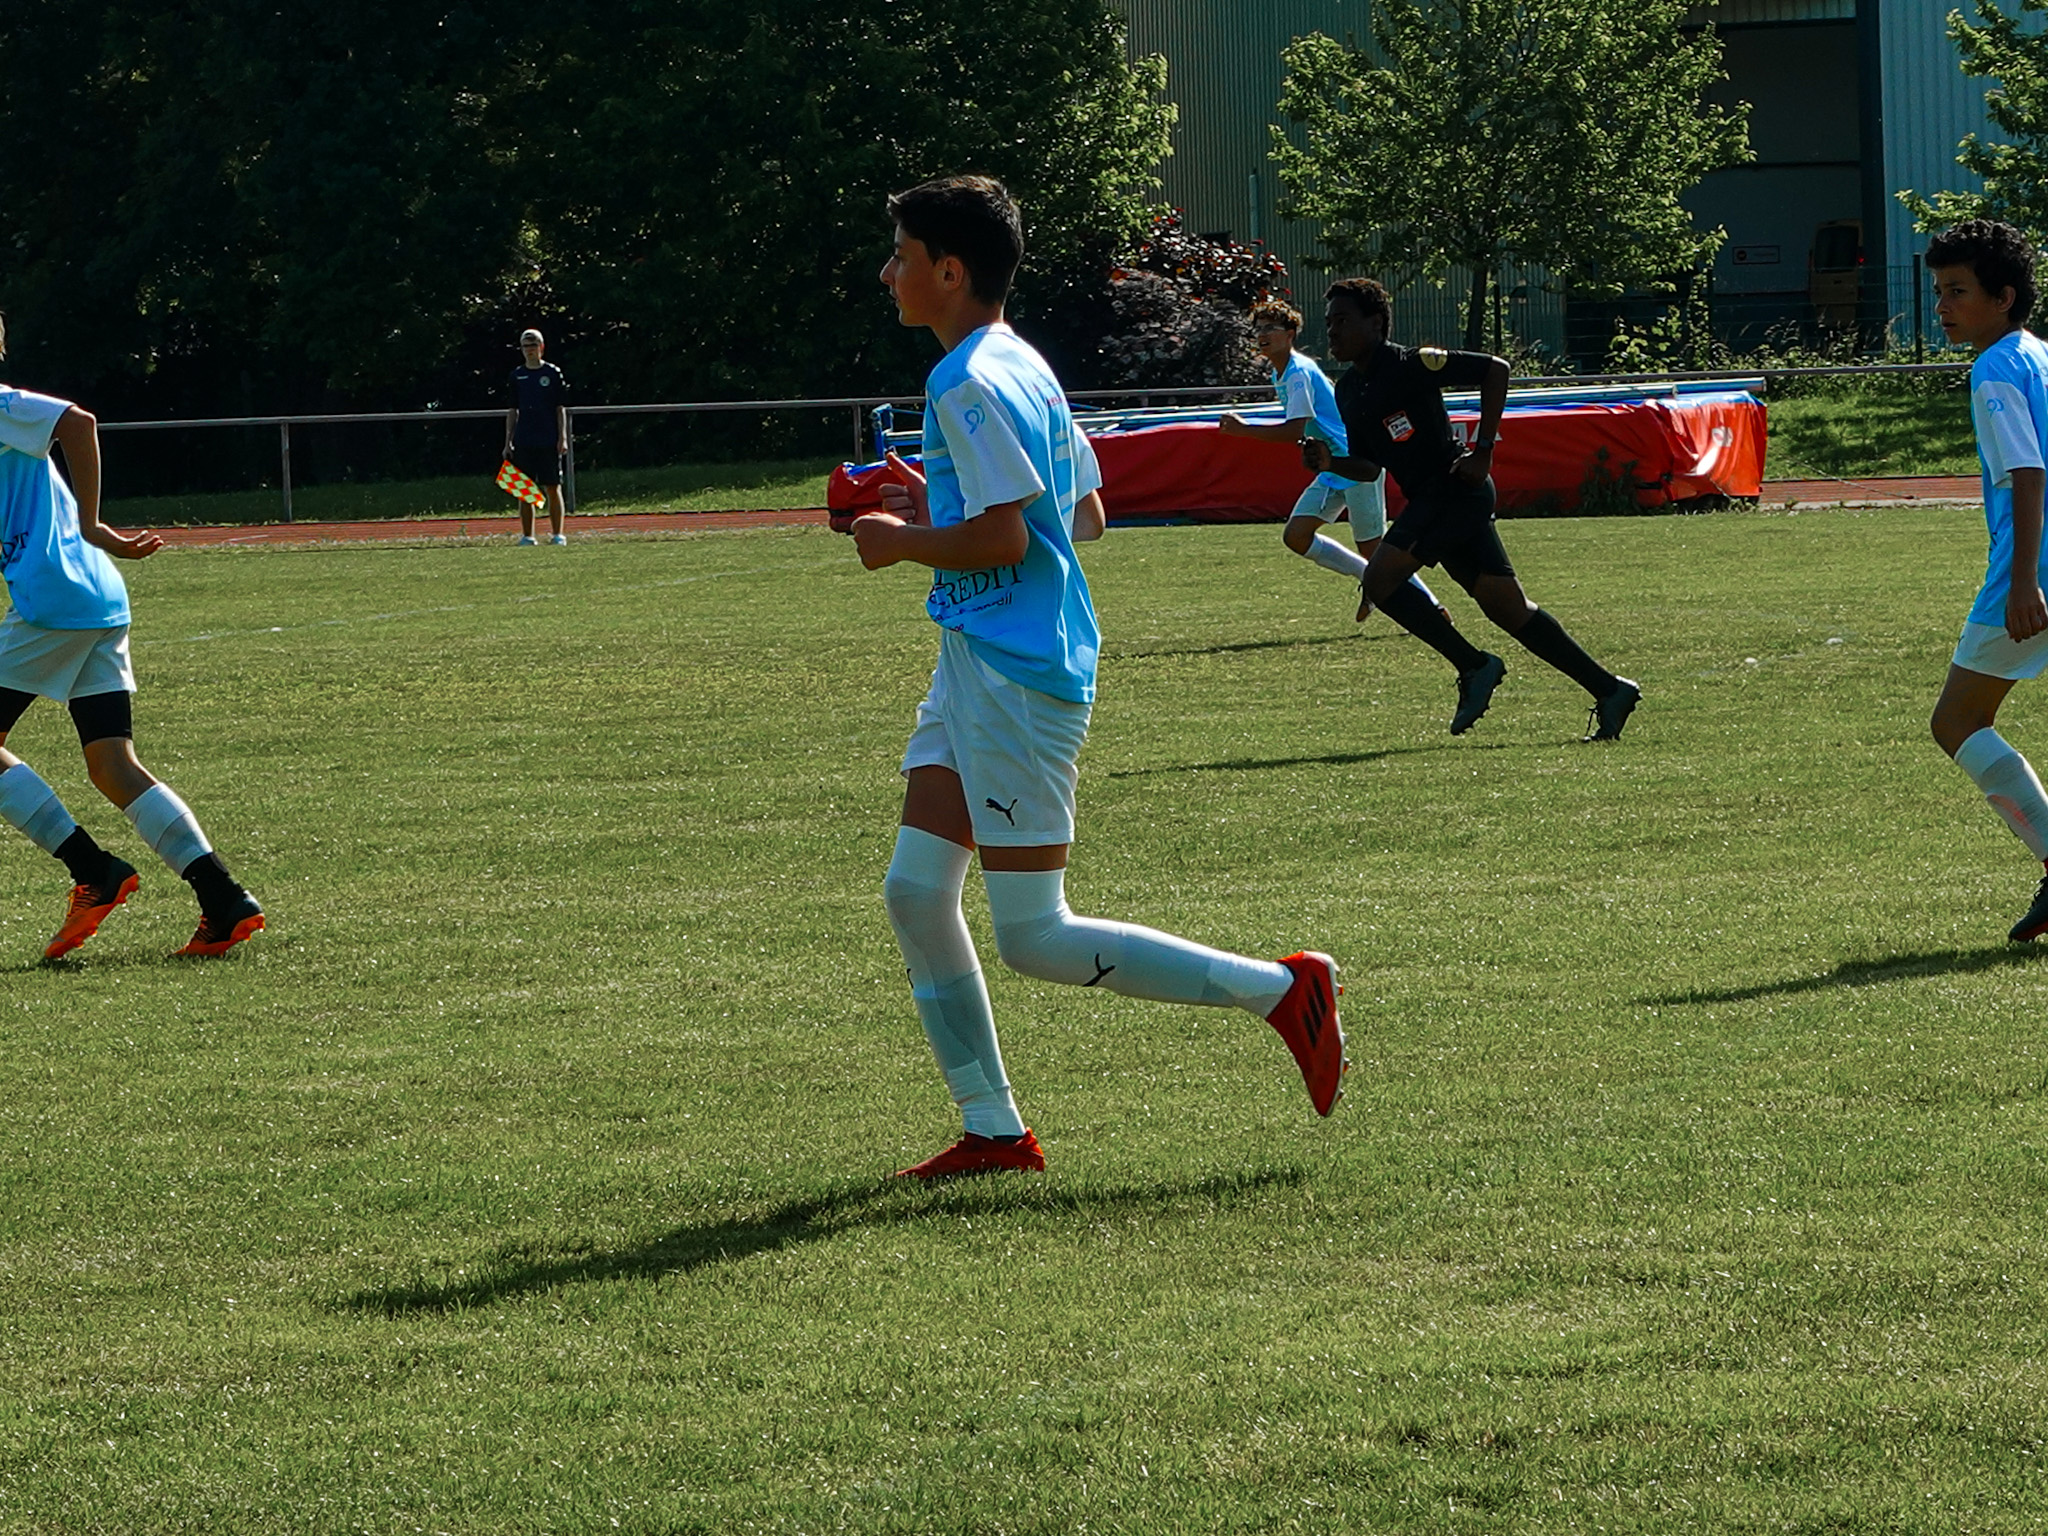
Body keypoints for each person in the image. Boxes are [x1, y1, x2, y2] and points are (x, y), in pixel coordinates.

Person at [852, 175, 1347, 1180]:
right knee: (914, 891)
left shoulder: (963, 382)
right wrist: (936, 499)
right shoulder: (1018, 363)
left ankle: (1279, 989)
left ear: (949, 273)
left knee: (1034, 933)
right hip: (979, 661)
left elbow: (1002, 534)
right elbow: (1081, 514)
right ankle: (993, 1131)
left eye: (901, 255)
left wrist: (900, 543)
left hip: (1015, 672)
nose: (887, 272)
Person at [0, 317, 264, 960]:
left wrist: (92, 523)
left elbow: (78, 423)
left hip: (57, 598)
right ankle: (222, 898)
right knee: (112, 765)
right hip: (93, 597)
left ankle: (92, 871)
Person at [1305, 278, 1641, 741]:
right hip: (1437, 502)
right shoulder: (1349, 390)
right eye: (1328, 323)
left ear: (1377, 323)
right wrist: (1330, 461)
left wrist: (1484, 449)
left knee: (1380, 579)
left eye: (1342, 320)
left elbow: (1495, 369)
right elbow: (1370, 466)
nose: (1332, 331)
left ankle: (1474, 665)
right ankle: (1611, 690)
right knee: (1509, 609)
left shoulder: (1409, 363)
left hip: (1453, 492)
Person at [1924, 219, 2048, 942]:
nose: (1942, 305)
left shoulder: (1997, 367)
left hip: (2030, 572)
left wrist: (2024, 581)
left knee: (1958, 721)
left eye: (1958, 291)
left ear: (2003, 297)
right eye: (1939, 289)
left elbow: (2028, 472)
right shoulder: (2038, 355)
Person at [1218, 299, 1446, 624]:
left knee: (1375, 550)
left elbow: (1294, 429)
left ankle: (1432, 607)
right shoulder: (1280, 371)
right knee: (1296, 536)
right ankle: (1369, 579)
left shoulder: (1297, 373)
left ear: (1291, 333)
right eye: (1259, 328)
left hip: (1355, 463)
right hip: (1331, 465)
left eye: (1271, 328)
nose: (1262, 334)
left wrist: (1243, 430)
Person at [504, 328, 569, 545]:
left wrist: (562, 437)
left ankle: (558, 534)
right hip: (524, 439)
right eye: (525, 346)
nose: (529, 350)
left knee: (552, 486)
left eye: (533, 345)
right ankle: (528, 536)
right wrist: (508, 441)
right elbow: (513, 410)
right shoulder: (517, 376)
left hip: (548, 438)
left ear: (541, 347)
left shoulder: (552, 373)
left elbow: (560, 408)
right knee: (524, 490)